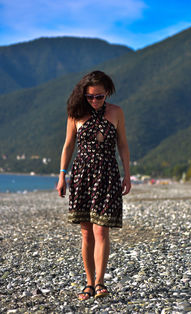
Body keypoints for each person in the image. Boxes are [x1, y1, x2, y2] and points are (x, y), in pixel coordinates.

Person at [57, 70, 131, 300]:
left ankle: (100, 283)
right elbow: (68, 146)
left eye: (99, 96)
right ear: (84, 95)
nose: (95, 101)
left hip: (108, 174)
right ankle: (88, 283)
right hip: (82, 176)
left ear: (107, 93)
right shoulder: (75, 114)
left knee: (102, 229)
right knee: (87, 232)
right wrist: (62, 175)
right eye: (90, 97)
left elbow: (123, 145)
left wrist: (127, 175)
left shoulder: (116, 112)